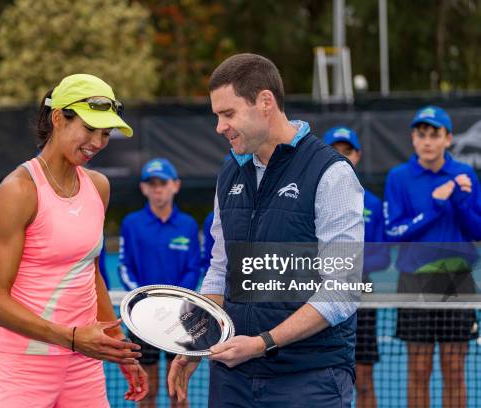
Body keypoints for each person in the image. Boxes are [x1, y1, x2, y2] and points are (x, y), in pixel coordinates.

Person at [168, 53, 364, 407]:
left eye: (228, 114)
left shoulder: (331, 174)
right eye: (217, 116)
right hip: (233, 379)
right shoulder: (228, 173)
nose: (219, 127)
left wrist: (262, 343)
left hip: (310, 378)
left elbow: (341, 292)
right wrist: (196, 342)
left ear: (265, 103)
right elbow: (220, 271)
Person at [0, 74, 148, 407]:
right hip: (23, 366)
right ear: (58, 118)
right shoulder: (16, 192)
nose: (98, 143)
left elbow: (91, 274)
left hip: (84, 364)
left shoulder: (98, 186)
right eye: (89, 129)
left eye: (105, 133)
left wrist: (118, 347)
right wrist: (72, 338)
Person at [384, 106, 481, 408]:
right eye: (421, 134)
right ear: (413, 139)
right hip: (414, 281)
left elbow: (477, 229)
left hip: (458, 280)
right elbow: (393, 234)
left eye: (435, 134)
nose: (427, 141)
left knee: (455, 368)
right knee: (419, 368)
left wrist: (460, 202)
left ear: (448, 139)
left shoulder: (465, 175)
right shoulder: (398, 177)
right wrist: (436, 206)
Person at [118, 157, 201, 407]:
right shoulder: (131, 224)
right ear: (143, 188)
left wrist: (173, 301)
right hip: (142, 319)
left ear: (175, 185)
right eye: (151, 183)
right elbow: (124, 267)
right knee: (148, 390)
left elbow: (193, 268)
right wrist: (145, 300)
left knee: (179, 392)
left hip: (180, 319)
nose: (157, 188)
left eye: (163, 182)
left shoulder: (187, 225)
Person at [324, 127, 391, 408]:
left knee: (363, 381)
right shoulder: (311, 200)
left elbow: (383, 257)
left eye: (347, 151)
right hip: (320, 298)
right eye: (335, 150)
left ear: (358, 155)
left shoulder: (373, 204)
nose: (342, 157)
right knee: (322, 380)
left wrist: (346, 266)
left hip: (362, 299)